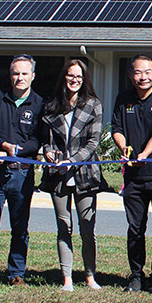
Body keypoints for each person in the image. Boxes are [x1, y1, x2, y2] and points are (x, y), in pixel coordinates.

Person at [0, 55, 43, 289]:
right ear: (10, 75)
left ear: (33, 76)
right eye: (15, 73)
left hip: (21, 174)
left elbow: (37, 141)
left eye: (24, 73)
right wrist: (5, 147)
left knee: (20, 228)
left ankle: (16, 274)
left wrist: (16, 152)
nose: (19, 78)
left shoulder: (39, 104)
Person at [110, 54, 152, 293]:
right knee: (135, 229)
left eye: (147, 72)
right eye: (138, 72)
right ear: (130, 75)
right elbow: (116, 128)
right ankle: (136, 276)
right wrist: (125, 149)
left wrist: (145, 154)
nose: (143, 77)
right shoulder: (123, 98)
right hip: (133, 178)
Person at [38, 59, 107, 291]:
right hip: (57, 175)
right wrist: (49, 153)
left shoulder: (93, 105)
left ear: (84, 79)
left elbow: (93, 143)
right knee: (63, 226)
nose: (74, 80)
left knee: (87, 228)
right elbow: (46, 142)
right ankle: (67, 278)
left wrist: (72, 161)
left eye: (78, 76)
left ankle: (89, 276)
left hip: (85, 174)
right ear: (64, 77)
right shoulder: (50, 105)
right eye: (70, 76)